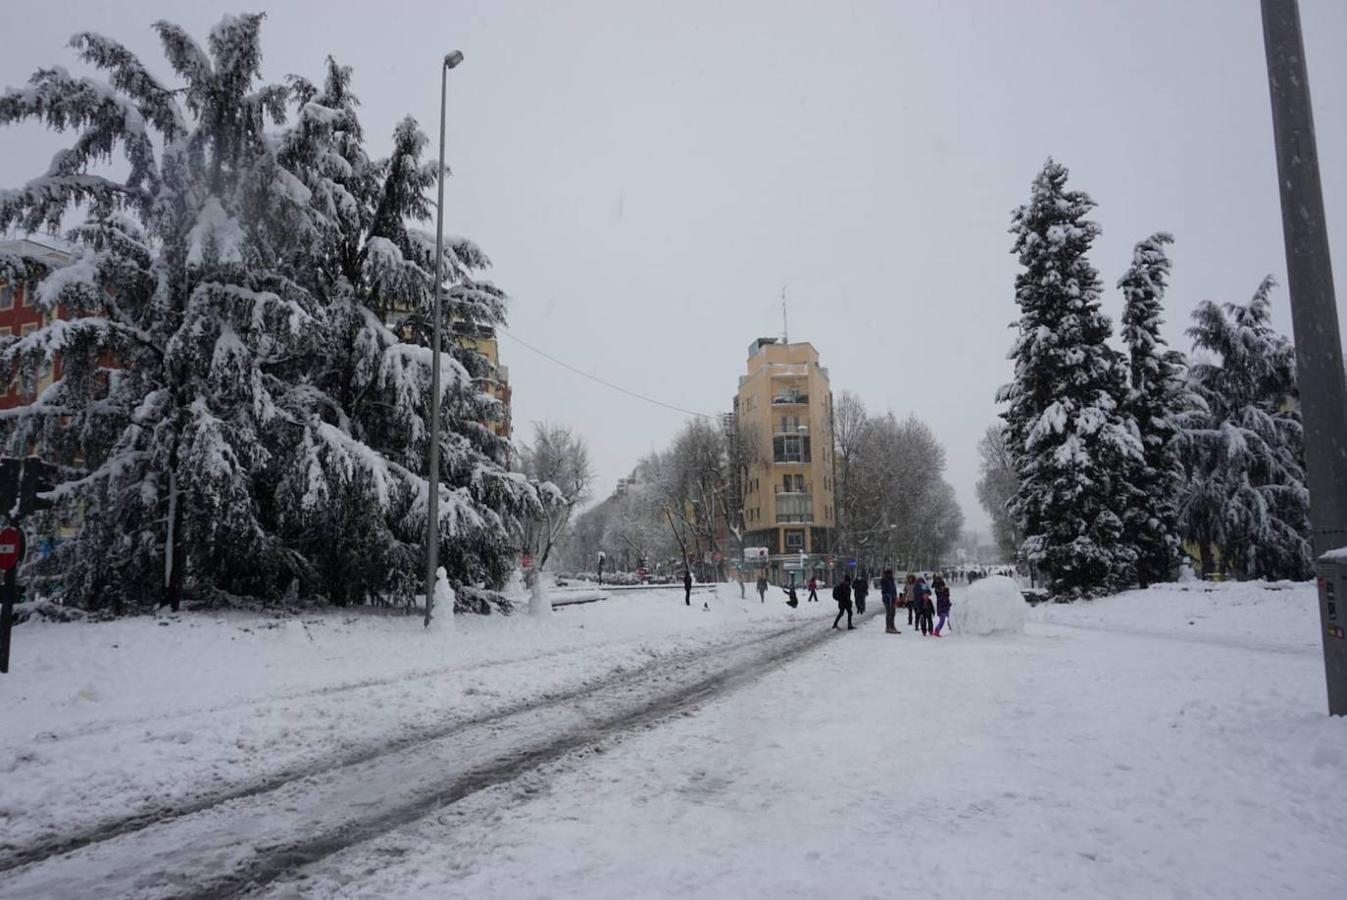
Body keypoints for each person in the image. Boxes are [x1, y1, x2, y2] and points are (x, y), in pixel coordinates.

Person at [880, 569, 901, 634]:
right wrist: (888, 596)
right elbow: (884, 591)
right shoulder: (885, 581)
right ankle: (888, 627)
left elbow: (893, 590)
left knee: (893, 613)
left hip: (893, 598)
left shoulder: (891, 581)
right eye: (890, 574)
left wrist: (895, 597)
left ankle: (892, 626)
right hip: (887, 599)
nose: (892, 575)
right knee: (889, 613)